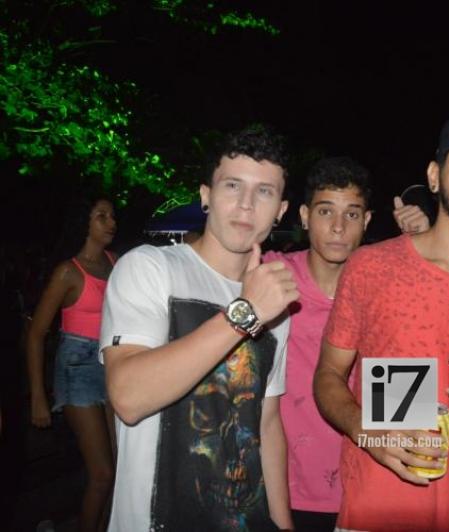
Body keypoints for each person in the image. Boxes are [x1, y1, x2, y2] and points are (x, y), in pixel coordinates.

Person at [314, 110, 449, 531]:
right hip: (378, 511)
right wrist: (366, 430)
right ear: (435, 176)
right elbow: (328, 375)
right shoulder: (371, 267)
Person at [100, 125, 298, 532]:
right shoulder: (150, 268)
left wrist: (283, 523)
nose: (246, 205)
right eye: (232, 185)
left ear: (281, 209)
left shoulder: (275, 299)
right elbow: (128, 397)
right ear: (206, 195)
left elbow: (266, 422)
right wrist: (245, 312)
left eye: (264, 192)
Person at [263, 156, 371, 532]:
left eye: (352, 214)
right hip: (282, 488)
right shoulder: (271, 274)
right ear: (305, 216)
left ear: (367, 220)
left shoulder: (384, 289)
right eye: (326, 211)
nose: (338, 227)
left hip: (366, 484)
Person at [26, 196, 117, 532]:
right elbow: (36, 334)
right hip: (76, 368)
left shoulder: (115, 262)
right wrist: (39, 396)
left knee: (118, 470)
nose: (111, 222)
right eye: (101, 216)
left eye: (112, 216)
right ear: (84, 223)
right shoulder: (68, 271)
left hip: (112, 363)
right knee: (102, 473)